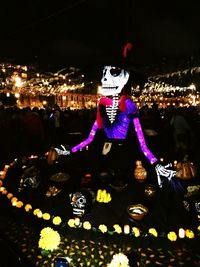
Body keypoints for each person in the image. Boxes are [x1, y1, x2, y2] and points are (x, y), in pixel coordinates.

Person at [54, 43, 176, 189]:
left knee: (124, 186)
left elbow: (141, 140)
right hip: (106, 154)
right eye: (104, 74)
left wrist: (155, 163)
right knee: (104, 184)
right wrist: (70, 151)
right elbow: (90, 138)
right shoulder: (102, 105)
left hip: (125, 154)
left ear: (125, 78)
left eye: (113, 73)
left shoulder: (129, 105)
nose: (105, 80)